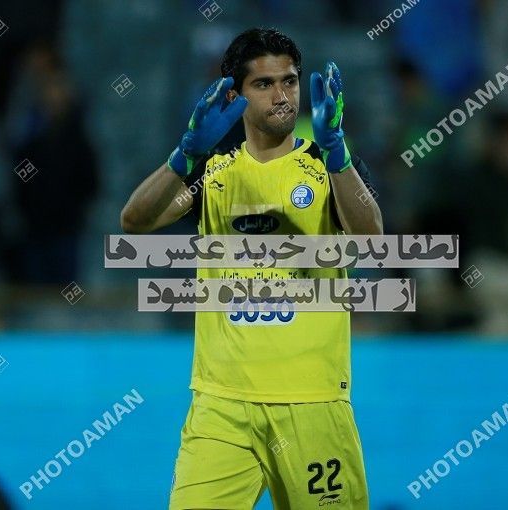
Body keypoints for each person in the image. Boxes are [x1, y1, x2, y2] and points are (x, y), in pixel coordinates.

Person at [121, 27, 381, 508]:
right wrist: (186, 154)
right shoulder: (211, 173)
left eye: (290, 81)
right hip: (222, 405)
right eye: (264, 84)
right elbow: (135, 221)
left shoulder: (330, 165)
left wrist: (337, 153)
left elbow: (370, 240)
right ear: (234, 95)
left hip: (312, 401)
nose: (282, 96)